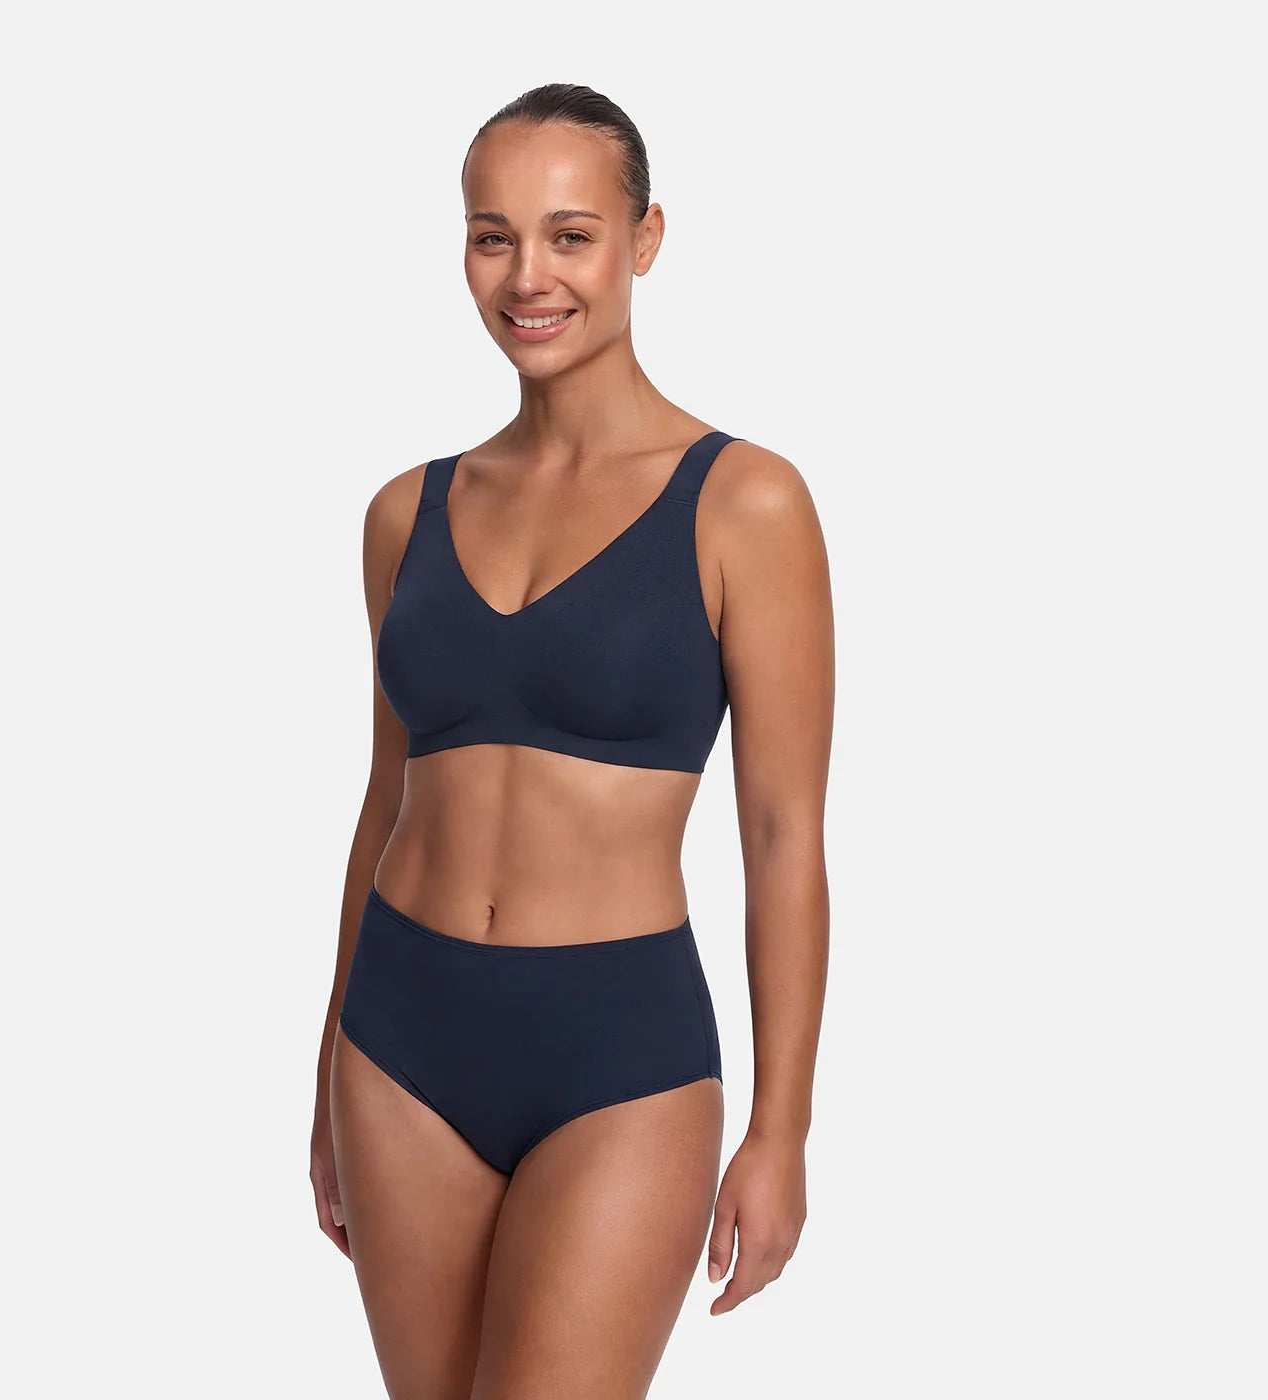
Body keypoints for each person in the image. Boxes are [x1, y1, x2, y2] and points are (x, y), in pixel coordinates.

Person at [310, 82, 833, 1400]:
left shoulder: (746, 503)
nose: (527, 277)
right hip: (399, 1047)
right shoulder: (405, 513)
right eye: (492, 237)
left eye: (570, 235)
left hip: (618, 1058)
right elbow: (384, 804)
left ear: (645, 239)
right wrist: (328, 1073)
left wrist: (782, 1128)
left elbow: (783, 836)